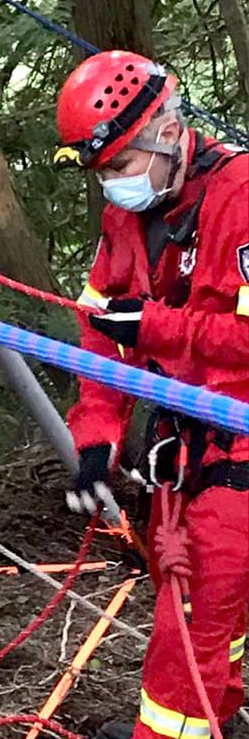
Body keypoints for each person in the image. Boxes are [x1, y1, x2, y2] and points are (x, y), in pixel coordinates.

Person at [53, 51, 249, 739]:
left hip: (238, 450)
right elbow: (101, 333)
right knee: (206, 615)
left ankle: (171, 729)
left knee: (189, 622)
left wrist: (160, 326)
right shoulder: (130, 219)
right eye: (101, 173)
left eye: (120, 167)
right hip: (186, 449)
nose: (113, 186)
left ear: (168, 131)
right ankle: (213, 711)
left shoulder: (242, 196)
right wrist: (96, 440)